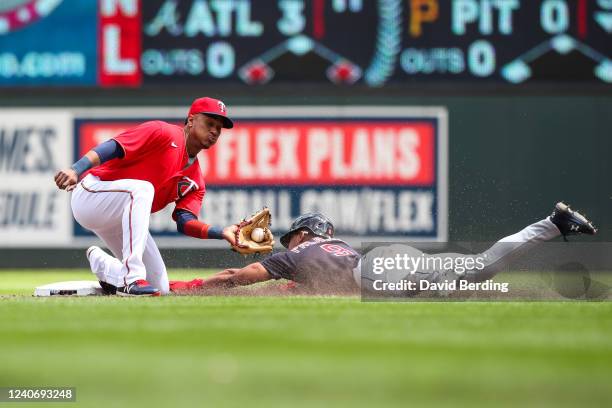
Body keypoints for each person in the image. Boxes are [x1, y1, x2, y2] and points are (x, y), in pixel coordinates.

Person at [169, 202, 597, 296]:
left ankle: (551, 223)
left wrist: (188, 287)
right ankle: (552, 229)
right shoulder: (332, 250)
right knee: (474, 275)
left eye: (292, 234)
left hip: (380, 272)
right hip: (388, 259)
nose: (288, 240)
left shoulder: (295, 255)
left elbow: (236, 278)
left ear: (304, 233)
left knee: (480, 272)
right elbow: (283, 292)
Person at [54, 97, 239, 296]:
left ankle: (104, 266)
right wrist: (76, 169)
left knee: (159, 287)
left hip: (121, 218)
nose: (214, 131)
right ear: (191, 120)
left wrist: (222, 232)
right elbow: (113, 147)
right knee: (143, 189)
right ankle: (132, 278)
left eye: (219, 128)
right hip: (91, 195)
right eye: (210, 123)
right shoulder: (163, 132)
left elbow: (184, 221)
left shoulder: (196, 180)